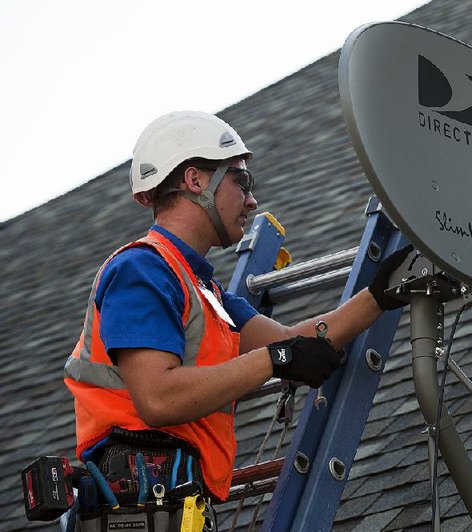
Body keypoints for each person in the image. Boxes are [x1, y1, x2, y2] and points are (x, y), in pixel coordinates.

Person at [63, 110, 409, 511]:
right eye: (241, 181)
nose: (252, 200)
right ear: (196, 181)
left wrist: (381, 294)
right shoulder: (141, 269)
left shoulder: (205, 291)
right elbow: (158, 399)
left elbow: (289, 342)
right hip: (138, 503)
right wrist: (275, 360)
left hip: (173, 499)